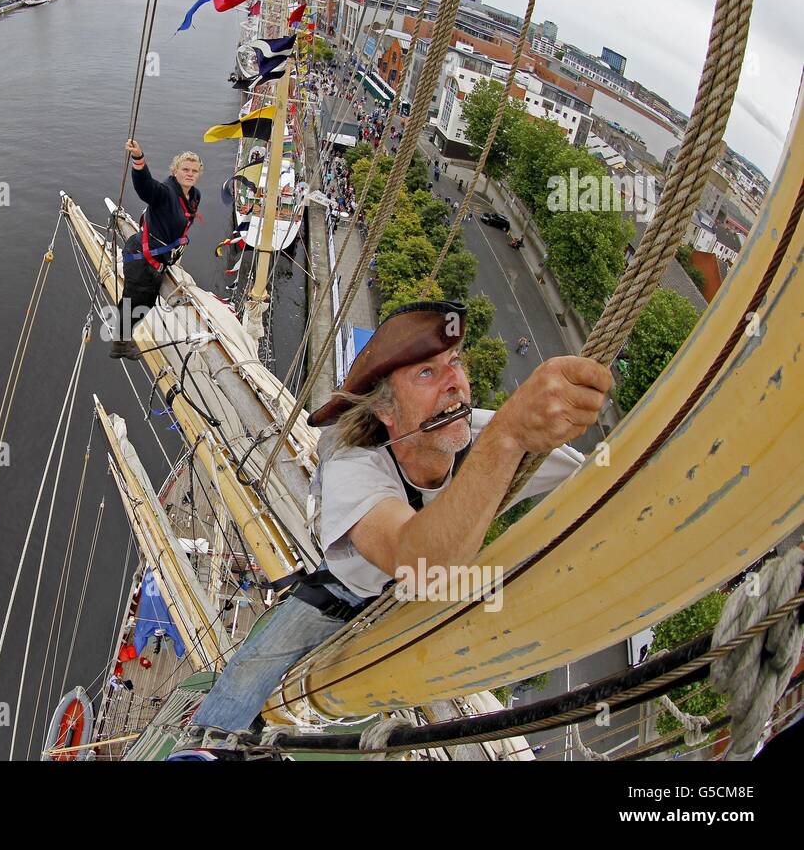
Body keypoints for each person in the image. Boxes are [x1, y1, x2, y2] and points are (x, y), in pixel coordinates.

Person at [178, 301, 611, 743]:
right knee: (255, 664)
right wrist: (508, 438)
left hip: (427, 601)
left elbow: (598, 472)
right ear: (385, 410)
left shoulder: (476, 435)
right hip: (349, 594)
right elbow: (418, 561)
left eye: (454, 363)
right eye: (426, 373)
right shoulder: (353, 465)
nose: (456, 384)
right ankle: (207, 746)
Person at [110, 138, 203, 360]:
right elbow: (145, 187)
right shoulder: (165, 192)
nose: (190, 174)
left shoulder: (194, 195)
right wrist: (139, 159)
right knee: (134, 302)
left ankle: (124, 337)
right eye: (185, 169)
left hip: (157, 259)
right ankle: (120, 344)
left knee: (147, 302)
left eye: (194, 170)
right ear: (175, 171)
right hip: (143, 260)